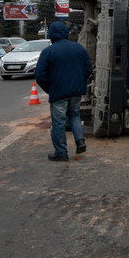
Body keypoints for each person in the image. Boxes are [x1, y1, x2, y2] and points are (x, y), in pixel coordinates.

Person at [35, 20, 93, 161]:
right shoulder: (79, 48)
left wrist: (50, 89)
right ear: (66, 33)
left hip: (59, 93)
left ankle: (61, 153)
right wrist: (79, 83)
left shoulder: (48, 51)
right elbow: (88, 70)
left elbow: (40, 75)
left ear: (51, 35)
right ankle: (80, 141)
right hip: (76, 91)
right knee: (74, 115)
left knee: (58, 123)